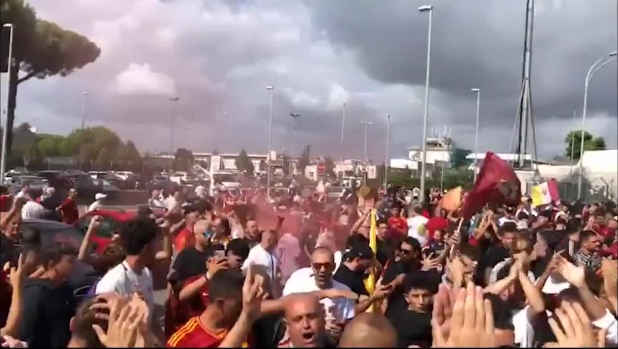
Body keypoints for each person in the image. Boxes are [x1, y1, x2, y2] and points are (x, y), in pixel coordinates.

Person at [94, 217, 164, 344]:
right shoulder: (112, 284)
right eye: (157, 242)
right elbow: (103, 331)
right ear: (145, 248)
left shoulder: (146, 273)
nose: (160, 247)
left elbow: (149, 317)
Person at [167, 269, 247, 347]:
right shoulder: (182, 342)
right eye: (239, 304)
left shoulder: (243, 327)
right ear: (220, 304)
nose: (243, 308)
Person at [16, 244, 77, 348]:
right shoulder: (35, 292)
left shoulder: (65, 289)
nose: (74, 265)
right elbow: (25, 332)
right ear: (52, 265)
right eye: (69, 261)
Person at [242, 230, 280, 295]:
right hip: (260, 291)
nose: (277, 243)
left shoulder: (273, 252)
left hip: (272, 290)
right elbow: (245, 269)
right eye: (275, 240)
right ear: (270, 241)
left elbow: (276, 266)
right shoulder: (256, 252)